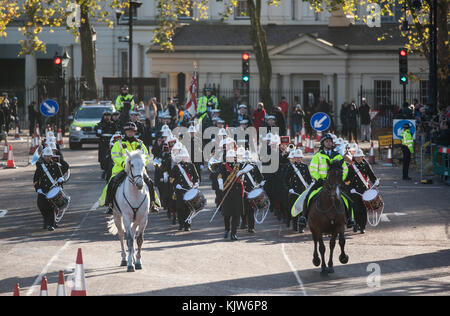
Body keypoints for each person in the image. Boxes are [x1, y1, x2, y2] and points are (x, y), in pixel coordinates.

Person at [99, 122, 157, 215]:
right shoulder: (118, 143)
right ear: (125, 132)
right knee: (112, 183)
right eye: (128, 131)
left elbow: (145, 156)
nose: (130, 133)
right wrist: (124, 163)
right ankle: (110, 204)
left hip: (137, 169)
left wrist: (141, 164)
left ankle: (153, 204)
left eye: (132, 131)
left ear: (135, 132)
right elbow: (115, 156)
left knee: (149, 182)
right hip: (122, 168)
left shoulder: (140, 143)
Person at [297, 133, 350, 229]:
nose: (329, 143)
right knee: (308, 196)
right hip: (321, 182)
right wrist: (319, 179)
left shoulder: (337, 156)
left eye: (330, 141)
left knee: (347, 198)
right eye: (327, 141)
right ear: (323, 143)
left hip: (335, 183)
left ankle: (349, 218)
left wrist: (340, 180)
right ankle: (303, 218)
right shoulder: (318, 156)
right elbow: (312, 169)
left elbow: (345, 169)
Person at [33, 146, 70, 231]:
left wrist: (61, 180)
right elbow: (35, 179)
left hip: (52, 189)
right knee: (41, 206)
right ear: (43, 156)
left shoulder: (55, 165)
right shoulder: (40, 166)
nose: (48, 158)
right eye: (46, 156)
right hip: (43, 190)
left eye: (49, 156)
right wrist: (37, 188)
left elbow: (60, 176)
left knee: (51, 208)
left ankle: (51, 224)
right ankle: (46, 221)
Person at [345, 149, 379, 234]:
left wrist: (376, 181)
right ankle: (357, 224)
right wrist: (350, 188)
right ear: (354, 157)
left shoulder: (366, 165)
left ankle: (363, 226)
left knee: (363, 209)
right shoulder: (351, 167)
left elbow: (372, 176)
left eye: (360, 157)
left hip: (365, 191)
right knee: (356, 209)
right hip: (355, 192)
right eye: (356, 157)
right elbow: (346, 180)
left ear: (362, 157)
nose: (358, 158)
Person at [217, 149, 244, 241]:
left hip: (236, 192)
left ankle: (234, 233)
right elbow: (220, 175)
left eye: (232, 157)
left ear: (234, 158)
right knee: (227, 214)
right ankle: (226, 229)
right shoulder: (223, 166)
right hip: (227, 191)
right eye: (228, 157)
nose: (230, 158)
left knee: (236, 214)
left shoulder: (238, 166)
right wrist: (220, 183)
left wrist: (242, 176)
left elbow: (245, 174)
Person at [170, 148, 200, 231]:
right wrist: (176, 184)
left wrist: (196, 183)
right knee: (180, 208)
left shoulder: (191, 166)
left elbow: (196, 177)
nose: (184, 158)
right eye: (182, 156)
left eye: (185, 156)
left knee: (188, 208)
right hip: (180, 190)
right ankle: (181, 223)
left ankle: (188, 225)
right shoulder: (176, 167)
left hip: (189, 190)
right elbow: (171, 179)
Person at [283, 148, 312, 232]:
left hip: (303, 191)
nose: (299, 159)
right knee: (295, 209)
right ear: (294, 158)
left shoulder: (305, 166)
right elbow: (285, 179)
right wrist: (289, 189)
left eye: (300, 157)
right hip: (294, 191)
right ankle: (295, 225)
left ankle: (301, 226)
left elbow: (309, 179)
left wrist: (311, 184)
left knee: (303, 209)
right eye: (297, 157)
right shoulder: (291, 167)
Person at [240, 149, 265, 233]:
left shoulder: (254, 166)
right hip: (242, 190)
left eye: (248, 158)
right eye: (245, 157)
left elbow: (260, 178)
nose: (246, 159)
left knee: (251, 209)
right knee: (243, 209)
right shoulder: (239, 166)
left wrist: (261, 184)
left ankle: (251, 227)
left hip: (252, 191)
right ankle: (243, 222)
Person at [95, 111, 117, 179]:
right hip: (103, 143)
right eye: (106, 116)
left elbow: (116, 133)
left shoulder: (113, 124)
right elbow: (97, 133)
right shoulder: (100, 124)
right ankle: (104, 170)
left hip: (111, 144)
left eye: (109, 116)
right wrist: (98, 131)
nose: (107, 117)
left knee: (110, 158)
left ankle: (108, 171)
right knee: (102, 158)